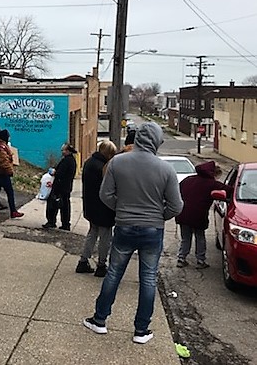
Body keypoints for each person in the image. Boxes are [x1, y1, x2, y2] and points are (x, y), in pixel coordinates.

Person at [83, 122, 183, 344]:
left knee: (114, 273)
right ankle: (141, 330)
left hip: (125, 226)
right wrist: (158, 216)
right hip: (152, 230)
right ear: (156, 141)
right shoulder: (166, 169)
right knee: (148, 279)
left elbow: (105, 194)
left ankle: (99, 321)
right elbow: (176, 206)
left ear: (137, 138)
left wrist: (121, 209)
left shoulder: (118, 162)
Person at [176, 161, 233, 269]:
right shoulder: (212, 183)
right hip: (198, 215)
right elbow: (229, 191)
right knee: (200, 237)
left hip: (182, 213)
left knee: (185, 237)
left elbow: (176, 191)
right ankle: (200, 261)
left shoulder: (188, 180)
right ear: (212, 173)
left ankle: (181, 258)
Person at [76, 140, 117, 277]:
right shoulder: (104, 167)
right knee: (105, 237)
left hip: (90, 206)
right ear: (108, 153)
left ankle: (83, 261)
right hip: (103, 208)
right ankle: (101, 264)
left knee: (92, 233)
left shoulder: (89, 162)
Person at [0, 129, 24, 219]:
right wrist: (10, 171)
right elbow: (4, 162)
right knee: (10, 192)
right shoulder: (1, 148)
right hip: (3, 173)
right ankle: (13, 211)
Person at [42, 143, 77, 231]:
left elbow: (60, 173)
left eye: (63, 150)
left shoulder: (67, 161)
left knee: (54, 204)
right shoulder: (71, 160)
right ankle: (65, 223)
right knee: (64, 205)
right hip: (66, 186)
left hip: (60, 187)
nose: (62, 152)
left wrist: (54, 172)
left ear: (68, 151)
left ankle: (52, 221)